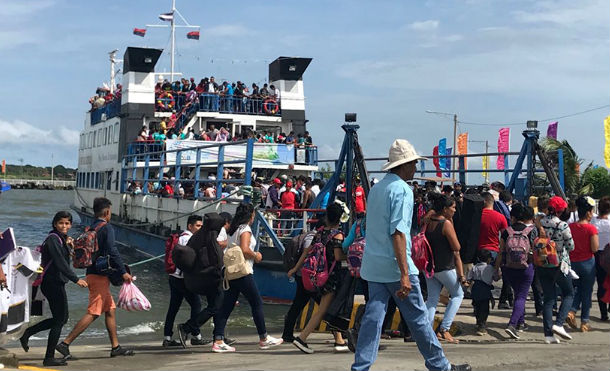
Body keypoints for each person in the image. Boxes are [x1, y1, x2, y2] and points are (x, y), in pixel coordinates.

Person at [351, 139, 470, 371]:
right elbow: (398, 233)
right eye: (413, 163)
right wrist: (405, 273)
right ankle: (440, 366)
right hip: (396, 267)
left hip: (373, 266)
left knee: (373, 319)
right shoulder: (402, 190)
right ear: (404, 166)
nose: (415, 167)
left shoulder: (376, 189)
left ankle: (361, 366)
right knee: (418, 319)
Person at [56, 198, 134, 359]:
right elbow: (113, 251)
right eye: (110, 212)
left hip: (93, 272)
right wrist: (123, 271)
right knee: (94, 312)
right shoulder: (106, 228)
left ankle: (115, 347)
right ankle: (65, 344)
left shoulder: (92, 226)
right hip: (99, 276)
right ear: (106, 212)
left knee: (110, 310)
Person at [19, 211, 88, 367]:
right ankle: (48, 357)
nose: (64, 226)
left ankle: (27, 333)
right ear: (55, 224)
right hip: (52, 283)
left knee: (61, 318)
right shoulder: (53, 239)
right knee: (59, 320)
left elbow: (66, 258)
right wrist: (76, 279)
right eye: (61, 223)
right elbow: (60, 263)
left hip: (55, 282)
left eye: (67, 223)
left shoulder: (60, 239)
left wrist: (69, 245)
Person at [212, 203, 283, 352]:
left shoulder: (232, 229)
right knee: (256, 303)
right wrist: (256, 255)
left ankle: (218, 340)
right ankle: (263, 338)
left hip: (230, 272)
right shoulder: (245, 229)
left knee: (226, 307)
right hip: (243, 271)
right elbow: (245, 249)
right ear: (251, 215)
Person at [292, 202, 348, 353]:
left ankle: (340, 339)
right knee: (323, 310)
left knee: (330, 309)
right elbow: (337, 256)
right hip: (331, 277)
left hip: (318, 276)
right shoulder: (338, 235)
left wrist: (295, 268)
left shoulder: (320, 233)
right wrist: (349, 256)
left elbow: (306, 252)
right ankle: (302, 338)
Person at [424, 193, 465, 343]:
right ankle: (444, 329)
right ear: (445, 209)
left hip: (428, 266)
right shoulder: (445, 224)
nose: (455, 210)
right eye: (453, 207)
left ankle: (427, 332)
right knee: (458, 294)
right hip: (444, 266)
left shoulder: (428, 221)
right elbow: (457, 246)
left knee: (432, 299)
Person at [495, 204, 537, 339]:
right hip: (526, 267)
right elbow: (536, 251)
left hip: (508, 268)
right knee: (521, 297)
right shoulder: (531, 231)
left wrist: (497, 268)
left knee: (517, 294)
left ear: (512, 217)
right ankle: (512, 324)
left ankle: (521, 322)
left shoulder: (506, 231)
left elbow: (501, 252)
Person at [163, 215, 205, 348]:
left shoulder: (181, 237)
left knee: (173, 308)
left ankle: (167, 337)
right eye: (197, 226)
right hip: (183, 279)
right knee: (196, 305)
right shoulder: (188, 239)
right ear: (190, 226)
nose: (200, 228)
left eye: (201, 226)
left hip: (174, 277)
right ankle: (195, 334)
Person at [538, 196, 575, 344]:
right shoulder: (562, 225)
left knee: (548, 298)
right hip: (559, 264)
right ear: (561, 210)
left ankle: (548, 335)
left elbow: (535, 240)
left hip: (542, 263)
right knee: (569, 293)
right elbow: (571, 246)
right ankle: (559, 324)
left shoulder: (539, 223)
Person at [566, 196, 599, 332]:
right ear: (588, 213)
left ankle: (572, 311)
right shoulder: (591, 229)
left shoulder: (570, 227)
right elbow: (595, 248)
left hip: (572, 263)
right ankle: (584, 321)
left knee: (576, 290)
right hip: (587, 264)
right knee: (586, 292)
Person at [467, 249, 496, 335]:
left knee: (476, 306)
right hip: (485, 289)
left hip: (476, 289)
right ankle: (482, 326)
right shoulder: (490, 267)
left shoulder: (474, 267)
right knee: (484, 309)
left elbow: (469, 278)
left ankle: (478, 322)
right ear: (489, 259)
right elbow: (495, 277)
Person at [592, 196, 610, 321]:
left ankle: (603, 313)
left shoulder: (594, 222)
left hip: (597, 255)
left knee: (601, 283)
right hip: (609, 253)